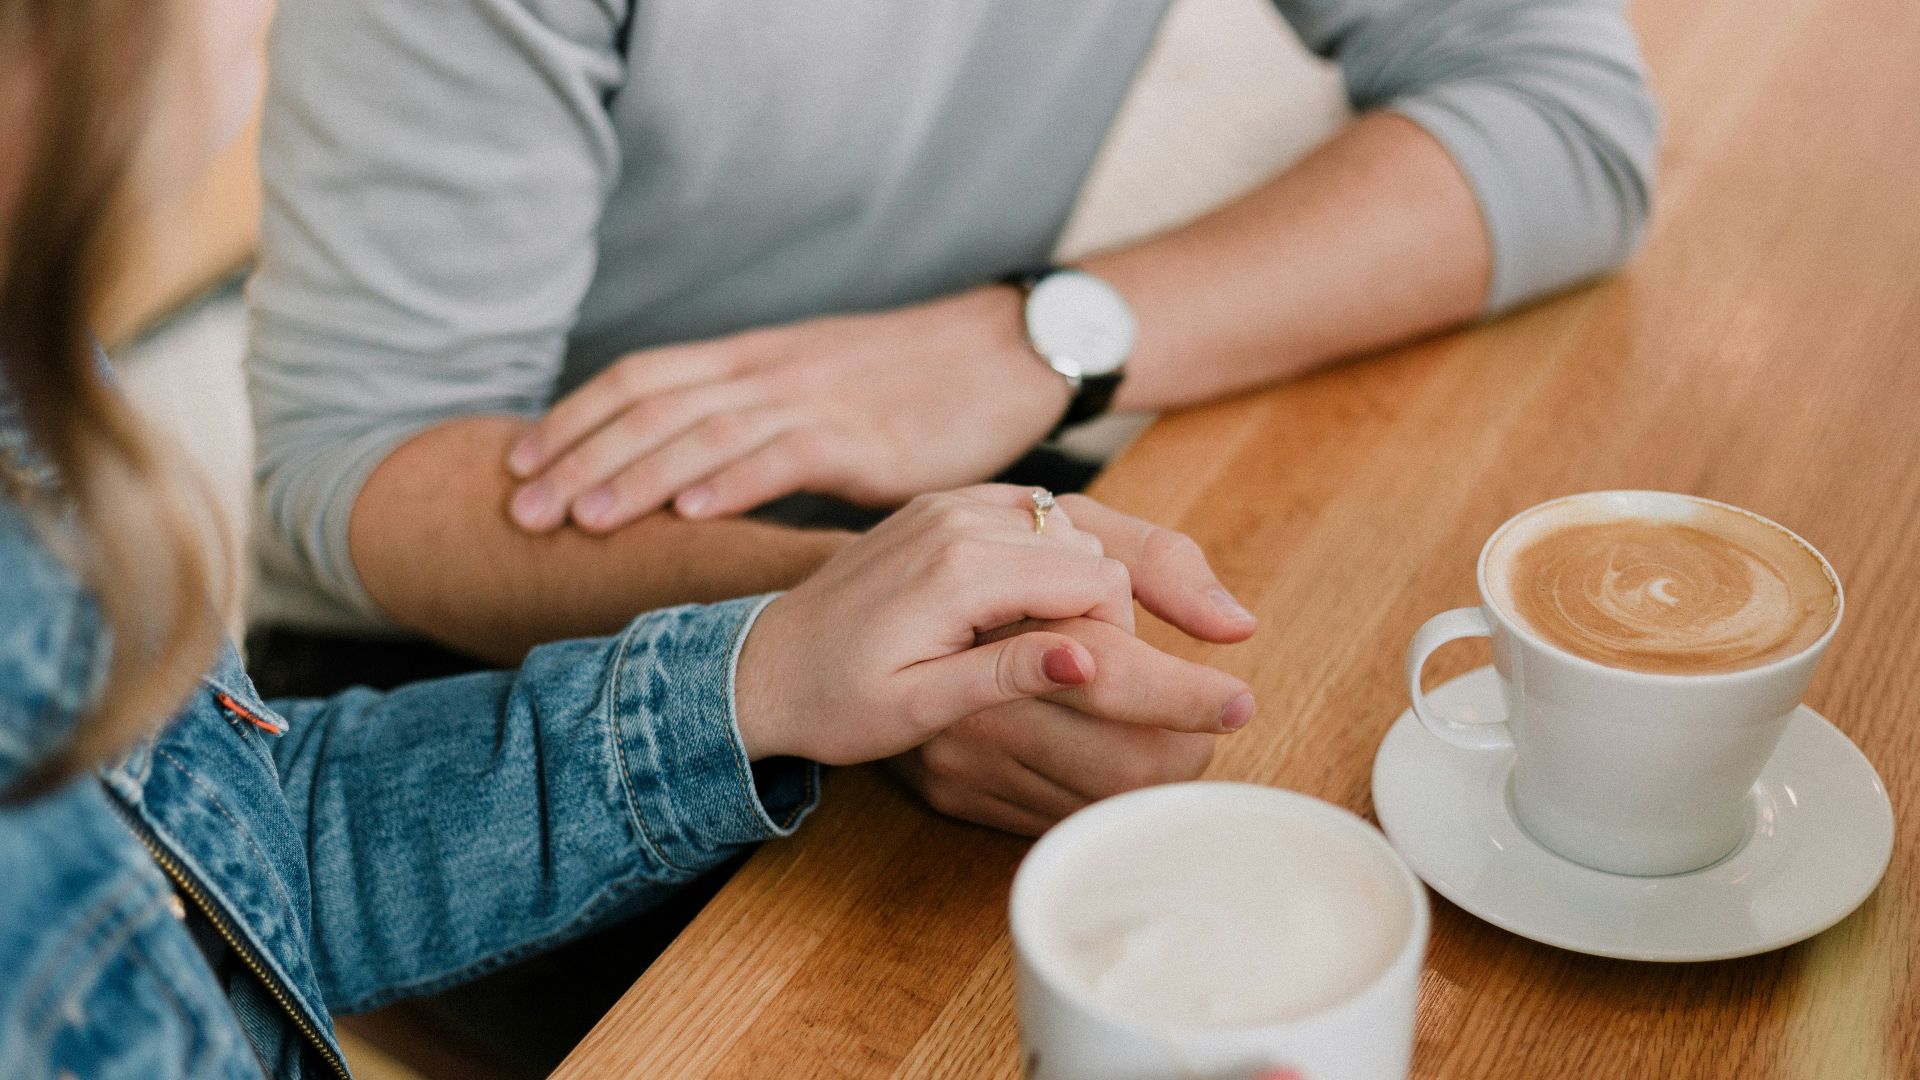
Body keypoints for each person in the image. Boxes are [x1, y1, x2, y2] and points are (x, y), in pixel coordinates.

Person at [0, 2, 1256, 1074]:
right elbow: (356, 461)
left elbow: (243, 868)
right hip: (410, 640)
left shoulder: (36, 396)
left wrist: (758, 670)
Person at [245, 0, 1657, 833]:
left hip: (909, 491)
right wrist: (841, 628)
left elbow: (1568, 121)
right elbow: (358, 462)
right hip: (456, 644)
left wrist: (1035, 337)